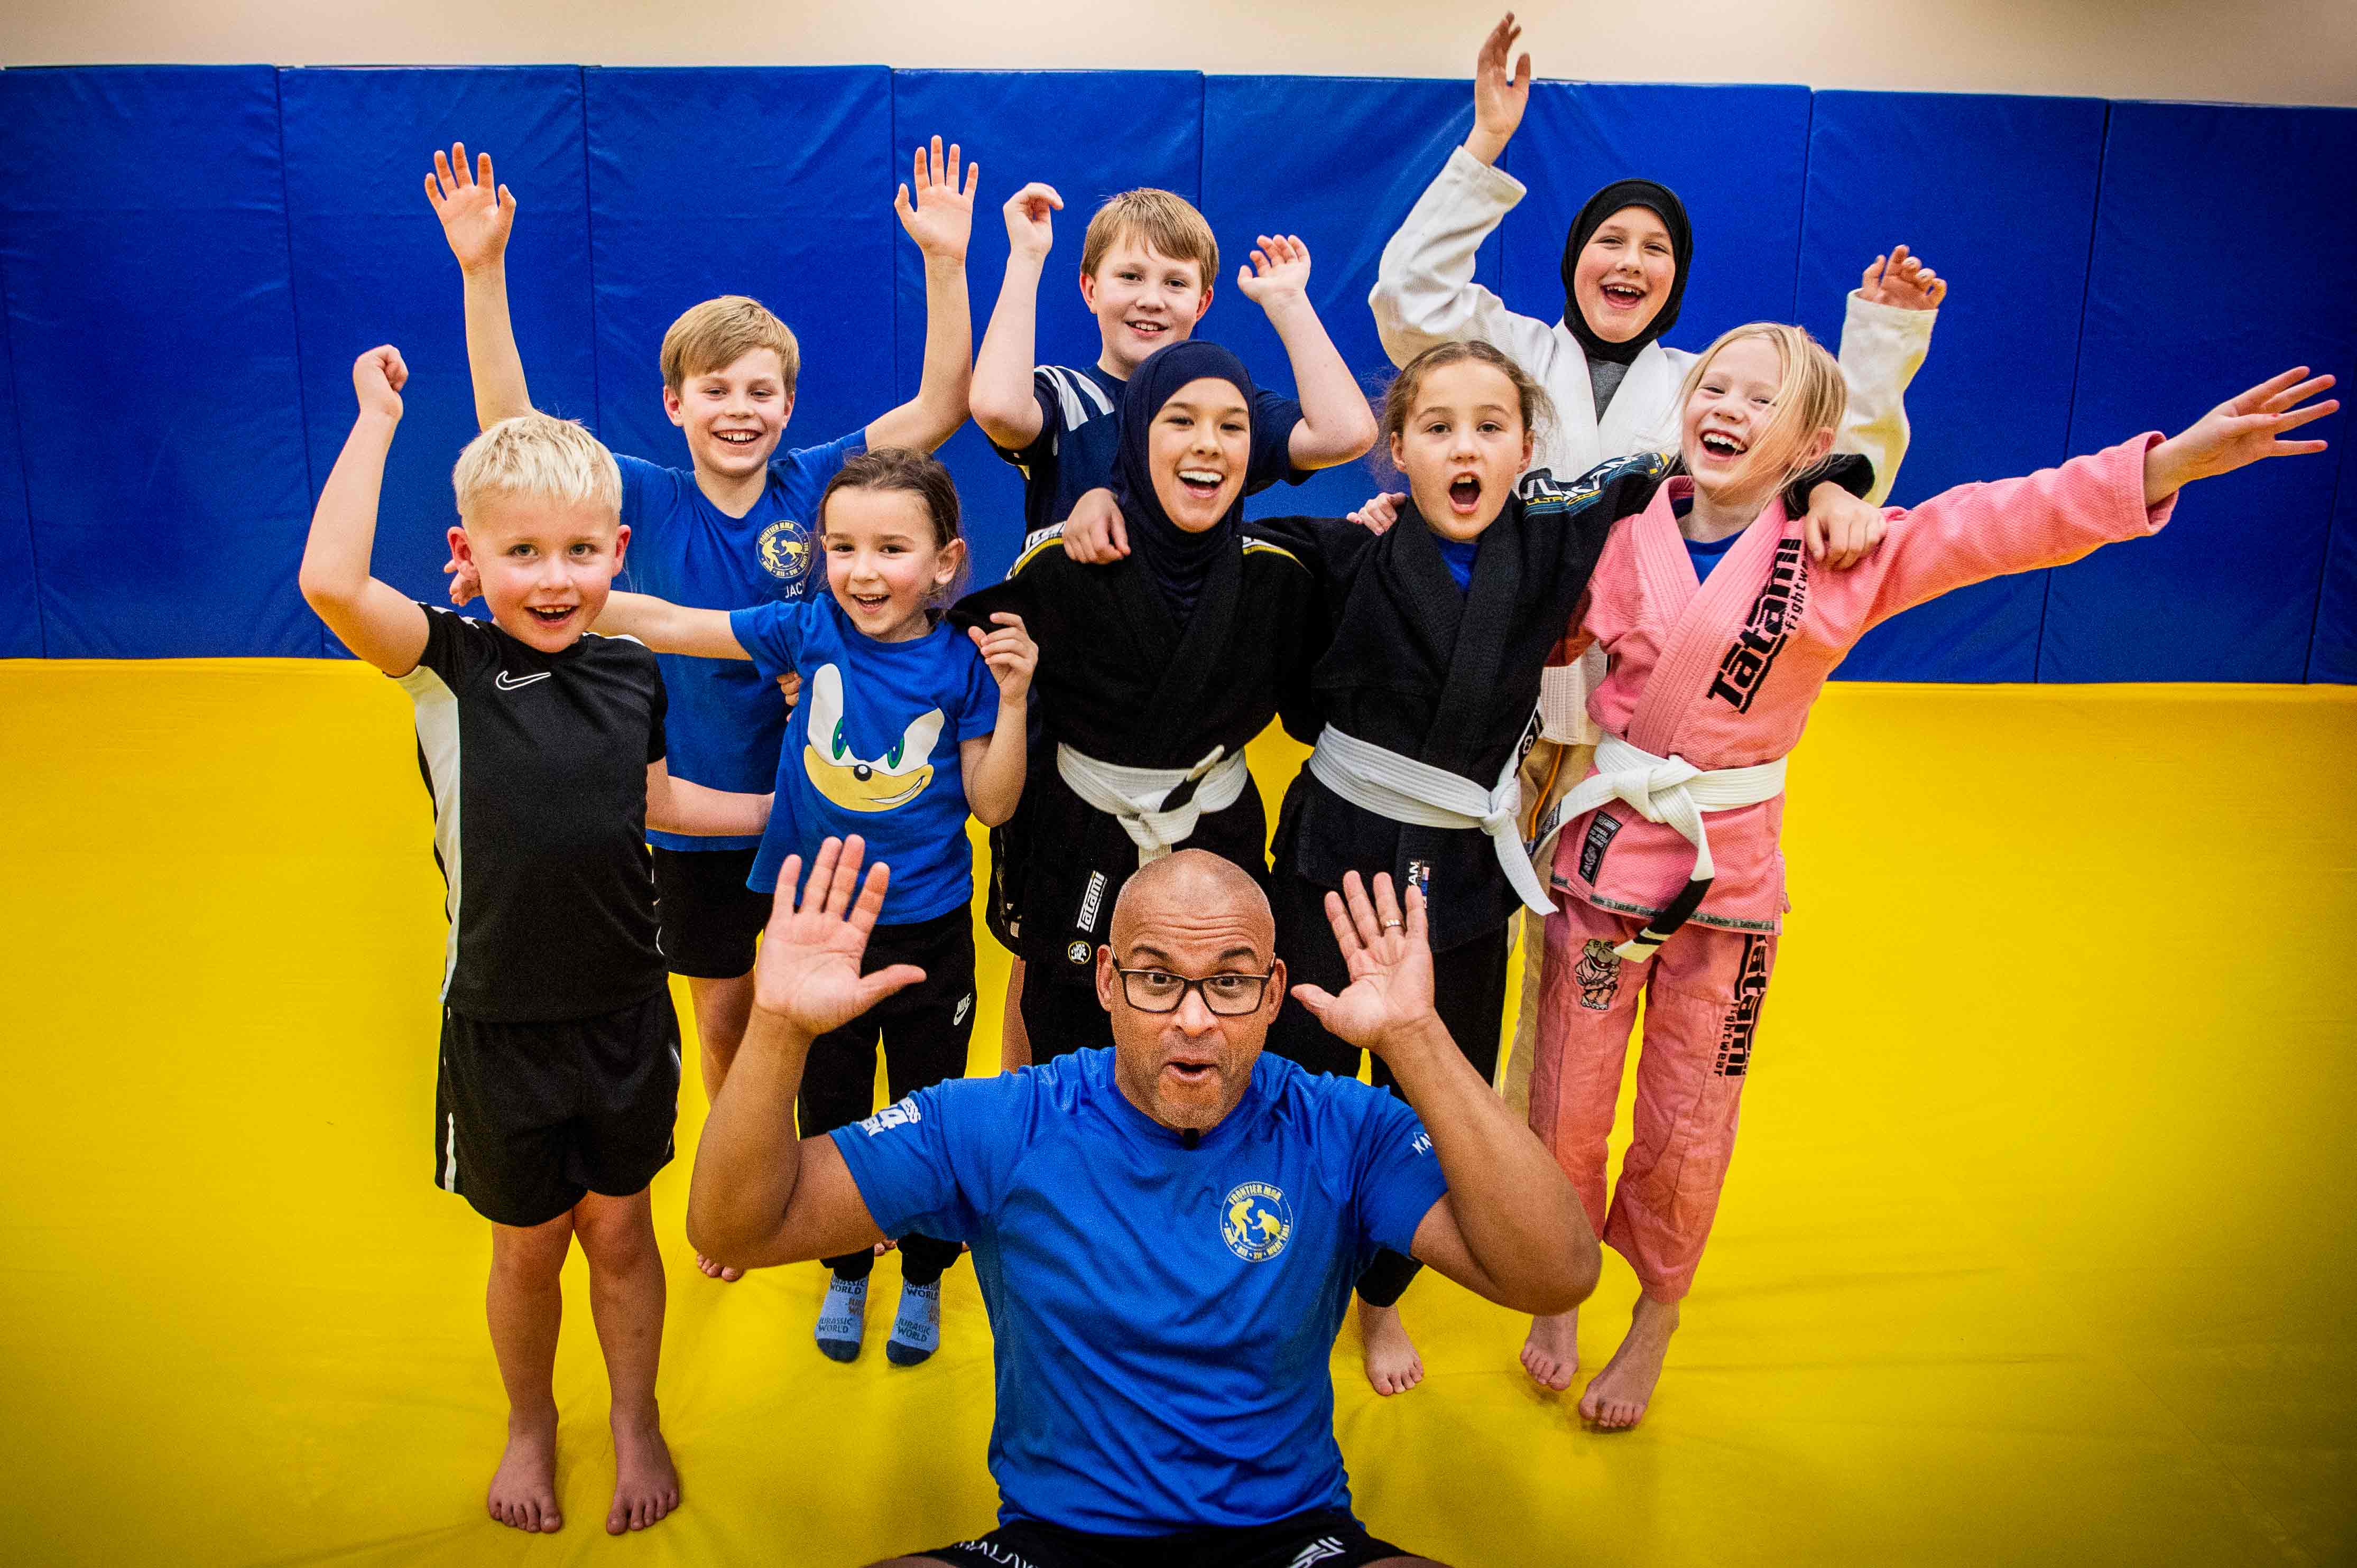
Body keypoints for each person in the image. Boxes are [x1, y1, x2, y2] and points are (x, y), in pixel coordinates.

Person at [1522, 324, 2336, 1428]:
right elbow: (1512, 621)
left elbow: (1998, 525)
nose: (1726, 406)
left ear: (1811, 442)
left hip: (1727, 883)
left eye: (1761, 400)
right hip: (1603, 865)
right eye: (1714, 384)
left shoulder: (1839, 553)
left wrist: (2166, 464)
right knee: (1562, 1098)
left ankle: (1657, 1313)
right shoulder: (1618, 537)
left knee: (1689, 1115)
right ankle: (1560, 1284)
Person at [688, 837, 1601, 1567]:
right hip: (1055, 1543)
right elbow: (735, 1225)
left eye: (1230, 982)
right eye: (1158, 979)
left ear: (1275, 992)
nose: (1194, 1019)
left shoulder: (1340, 1126)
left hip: (1288, 1541)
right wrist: (776, 1028)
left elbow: (1555, 1272)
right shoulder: (1006, 1124)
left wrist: (1416, 1038)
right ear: (1107, 984)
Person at [1361, 13, 1946, 1112]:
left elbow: (1826, 451)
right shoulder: (1512, 352)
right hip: (1496, 690)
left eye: (1654, 248)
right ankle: (1465, 1123)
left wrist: (1878, 342)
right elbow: (1408, 304)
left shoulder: (1701, 388)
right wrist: (1485, 146)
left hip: (1634, 722)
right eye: (1609, 240)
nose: (1628, 261)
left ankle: (1536, 1156)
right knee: (1471, 926)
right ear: (1574, 256)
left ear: (1674, 279)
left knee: (1580, 957)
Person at [427, 138, 977, 1281]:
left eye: (760, 390)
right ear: (674, 401)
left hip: (820, 816)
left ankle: (863, 1190)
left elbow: (940, 404)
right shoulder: (643, 493)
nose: (740, 408)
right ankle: (753, 1171)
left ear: (789, 403)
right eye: (715, 390)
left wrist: (945, 259)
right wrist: (483, 273)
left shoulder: (819, 483)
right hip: (688, 821)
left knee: (835, 1009)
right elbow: (509, 429)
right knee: (730, 1018)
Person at [298, 347, 779, 1535]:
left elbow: (660, 802)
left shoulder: (629, 671)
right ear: (468, 561)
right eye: (521, 552)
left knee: (621, 1228)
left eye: (578, 551)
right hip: (502, 1024)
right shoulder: (444, 667)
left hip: (625, 1013)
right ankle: (529, 1418)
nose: (553, 578)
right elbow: (327, 579)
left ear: (617, 555)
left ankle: (633, 1413)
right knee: (527, 1249)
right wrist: (374, 421)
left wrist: (788, 810)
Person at [586, 449, 1034, 1367]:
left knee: (927, 1105)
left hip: (926, 923)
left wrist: (1018, 698)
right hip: (817, 929)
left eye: (891, 549)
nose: (864, 571)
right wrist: (559, 591)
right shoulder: (805, 629)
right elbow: (672, 621)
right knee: (829, 1100)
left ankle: (921, 1271)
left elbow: (992, 804)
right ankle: (842, 1262)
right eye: (842, 547)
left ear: (947, 561)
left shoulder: (963, 667)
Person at [967, 183, 1376, 1068]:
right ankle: (1031, 1110)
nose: (1151, 296)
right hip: (1072, 724)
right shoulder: (1067, 399)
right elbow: (996, 406)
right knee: (1046, 953)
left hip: (1185, 735)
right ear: (1090, 289)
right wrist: (1026, 259)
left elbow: (1345, 428)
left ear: (1203, 301)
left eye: (1174, 280)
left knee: (1180, 955)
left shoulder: (1224, 407)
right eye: (1129, 275)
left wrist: (1291, 306)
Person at [950, 340, 1324, 1055]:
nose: (1207, 446)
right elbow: (949, 646)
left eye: (1232, 427)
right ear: (1135, 433)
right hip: (1079, 835)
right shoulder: (1061, 566)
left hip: (1217, 833)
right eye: (1178, 421)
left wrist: (1388, 525)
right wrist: (827, 667)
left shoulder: (1282, 575)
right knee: (1068, 1035)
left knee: (1219, 1028)